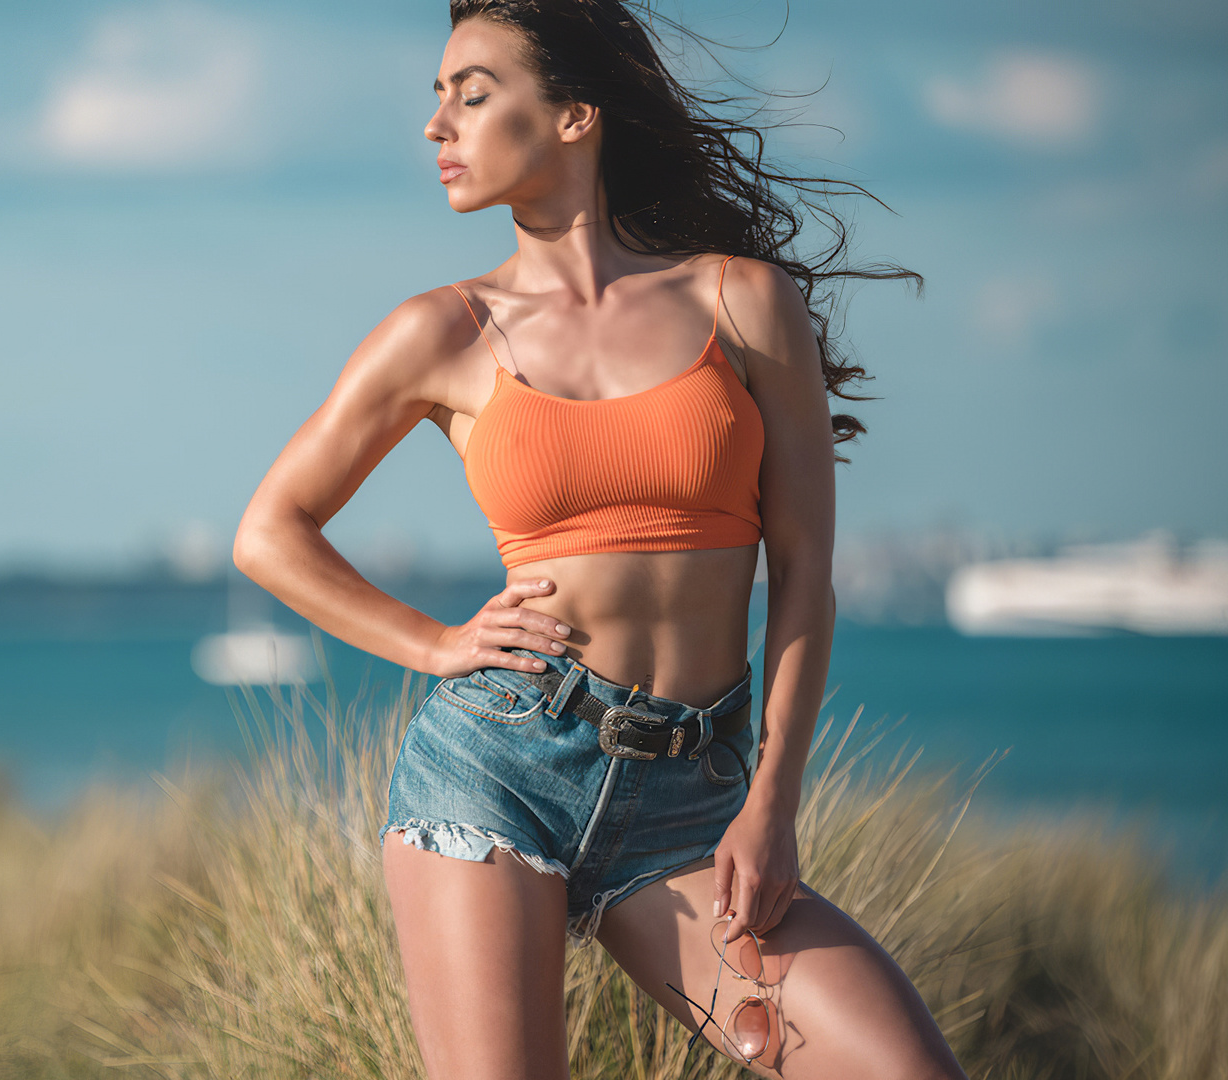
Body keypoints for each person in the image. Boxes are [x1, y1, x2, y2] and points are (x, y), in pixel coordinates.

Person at [231, 2, 970, 1077]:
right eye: (435, 100)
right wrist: (436, 645)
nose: (436, 127)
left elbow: (807, 576)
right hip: (496, 776)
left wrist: (773, 802)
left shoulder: (742, 303)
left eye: (471, 95)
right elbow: (270, 532)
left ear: (577, 114)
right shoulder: (442, 331)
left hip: (695, 800)